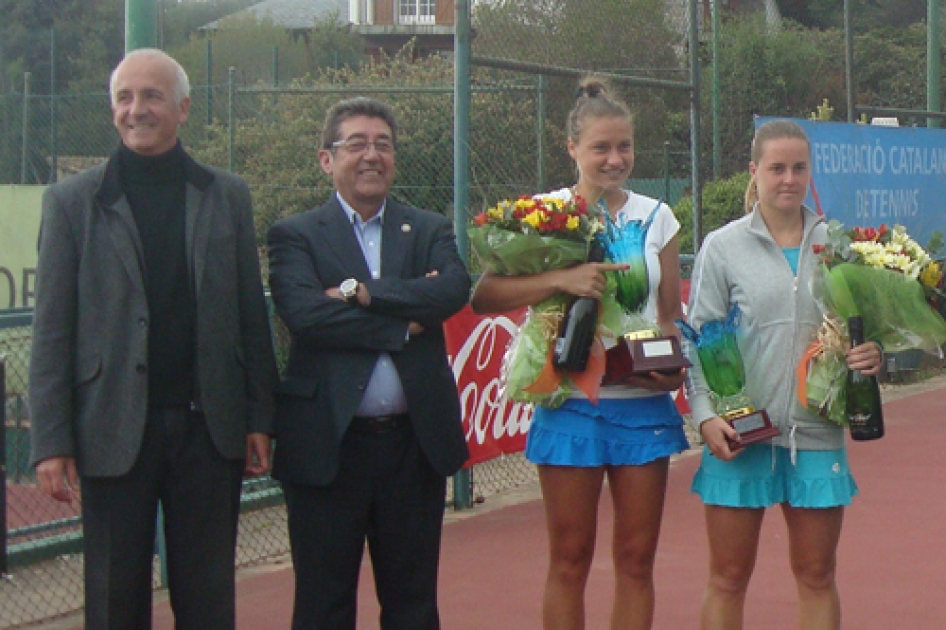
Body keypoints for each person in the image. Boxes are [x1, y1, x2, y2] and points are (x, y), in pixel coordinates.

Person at [28, 49, 277, 629]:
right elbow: (51, 329)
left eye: (152, 96)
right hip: (111, 431)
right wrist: (51, 439)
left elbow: (249, 313)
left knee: (208, 596)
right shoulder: (70, 203)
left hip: (208, 429)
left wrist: (259, 416)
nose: (136, 110)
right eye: (124, 97)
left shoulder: (227, 195)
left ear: (183, 108)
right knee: (114, 599)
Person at [471, 77, 690, 630]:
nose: (615, 159)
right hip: (569, 405)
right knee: (569, 562)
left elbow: (668, 314)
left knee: (636, 563)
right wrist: (563, 278)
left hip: (641, 408)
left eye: (624, 147)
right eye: (601, 148)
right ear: (572, 148)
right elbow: (484, 296)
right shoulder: (540, 214)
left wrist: (669, 369)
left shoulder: (658, 216)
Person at [266, 96, 471, 630]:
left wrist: (359, 293)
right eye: (356, 143)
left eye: (382, 144)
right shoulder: (295, 234)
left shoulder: (427, 228)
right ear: (326, 159)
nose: (371, 155)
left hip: (412, 446)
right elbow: (308, 315)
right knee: (322, 605)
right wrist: (404, 321)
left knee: (412, 606)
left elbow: (451, 291)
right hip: (327, 446)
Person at [684, 119, 882, 630]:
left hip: (816, 430)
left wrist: (872, 353)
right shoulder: (722, 247)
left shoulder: (837, 245)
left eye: (798, 168)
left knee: (817, 575)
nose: (788, 179)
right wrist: (706, 418)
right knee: (728, 576)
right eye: (776, 168)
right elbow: (699, 340)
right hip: (739, 431)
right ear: (755, 171)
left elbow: (862, 330)